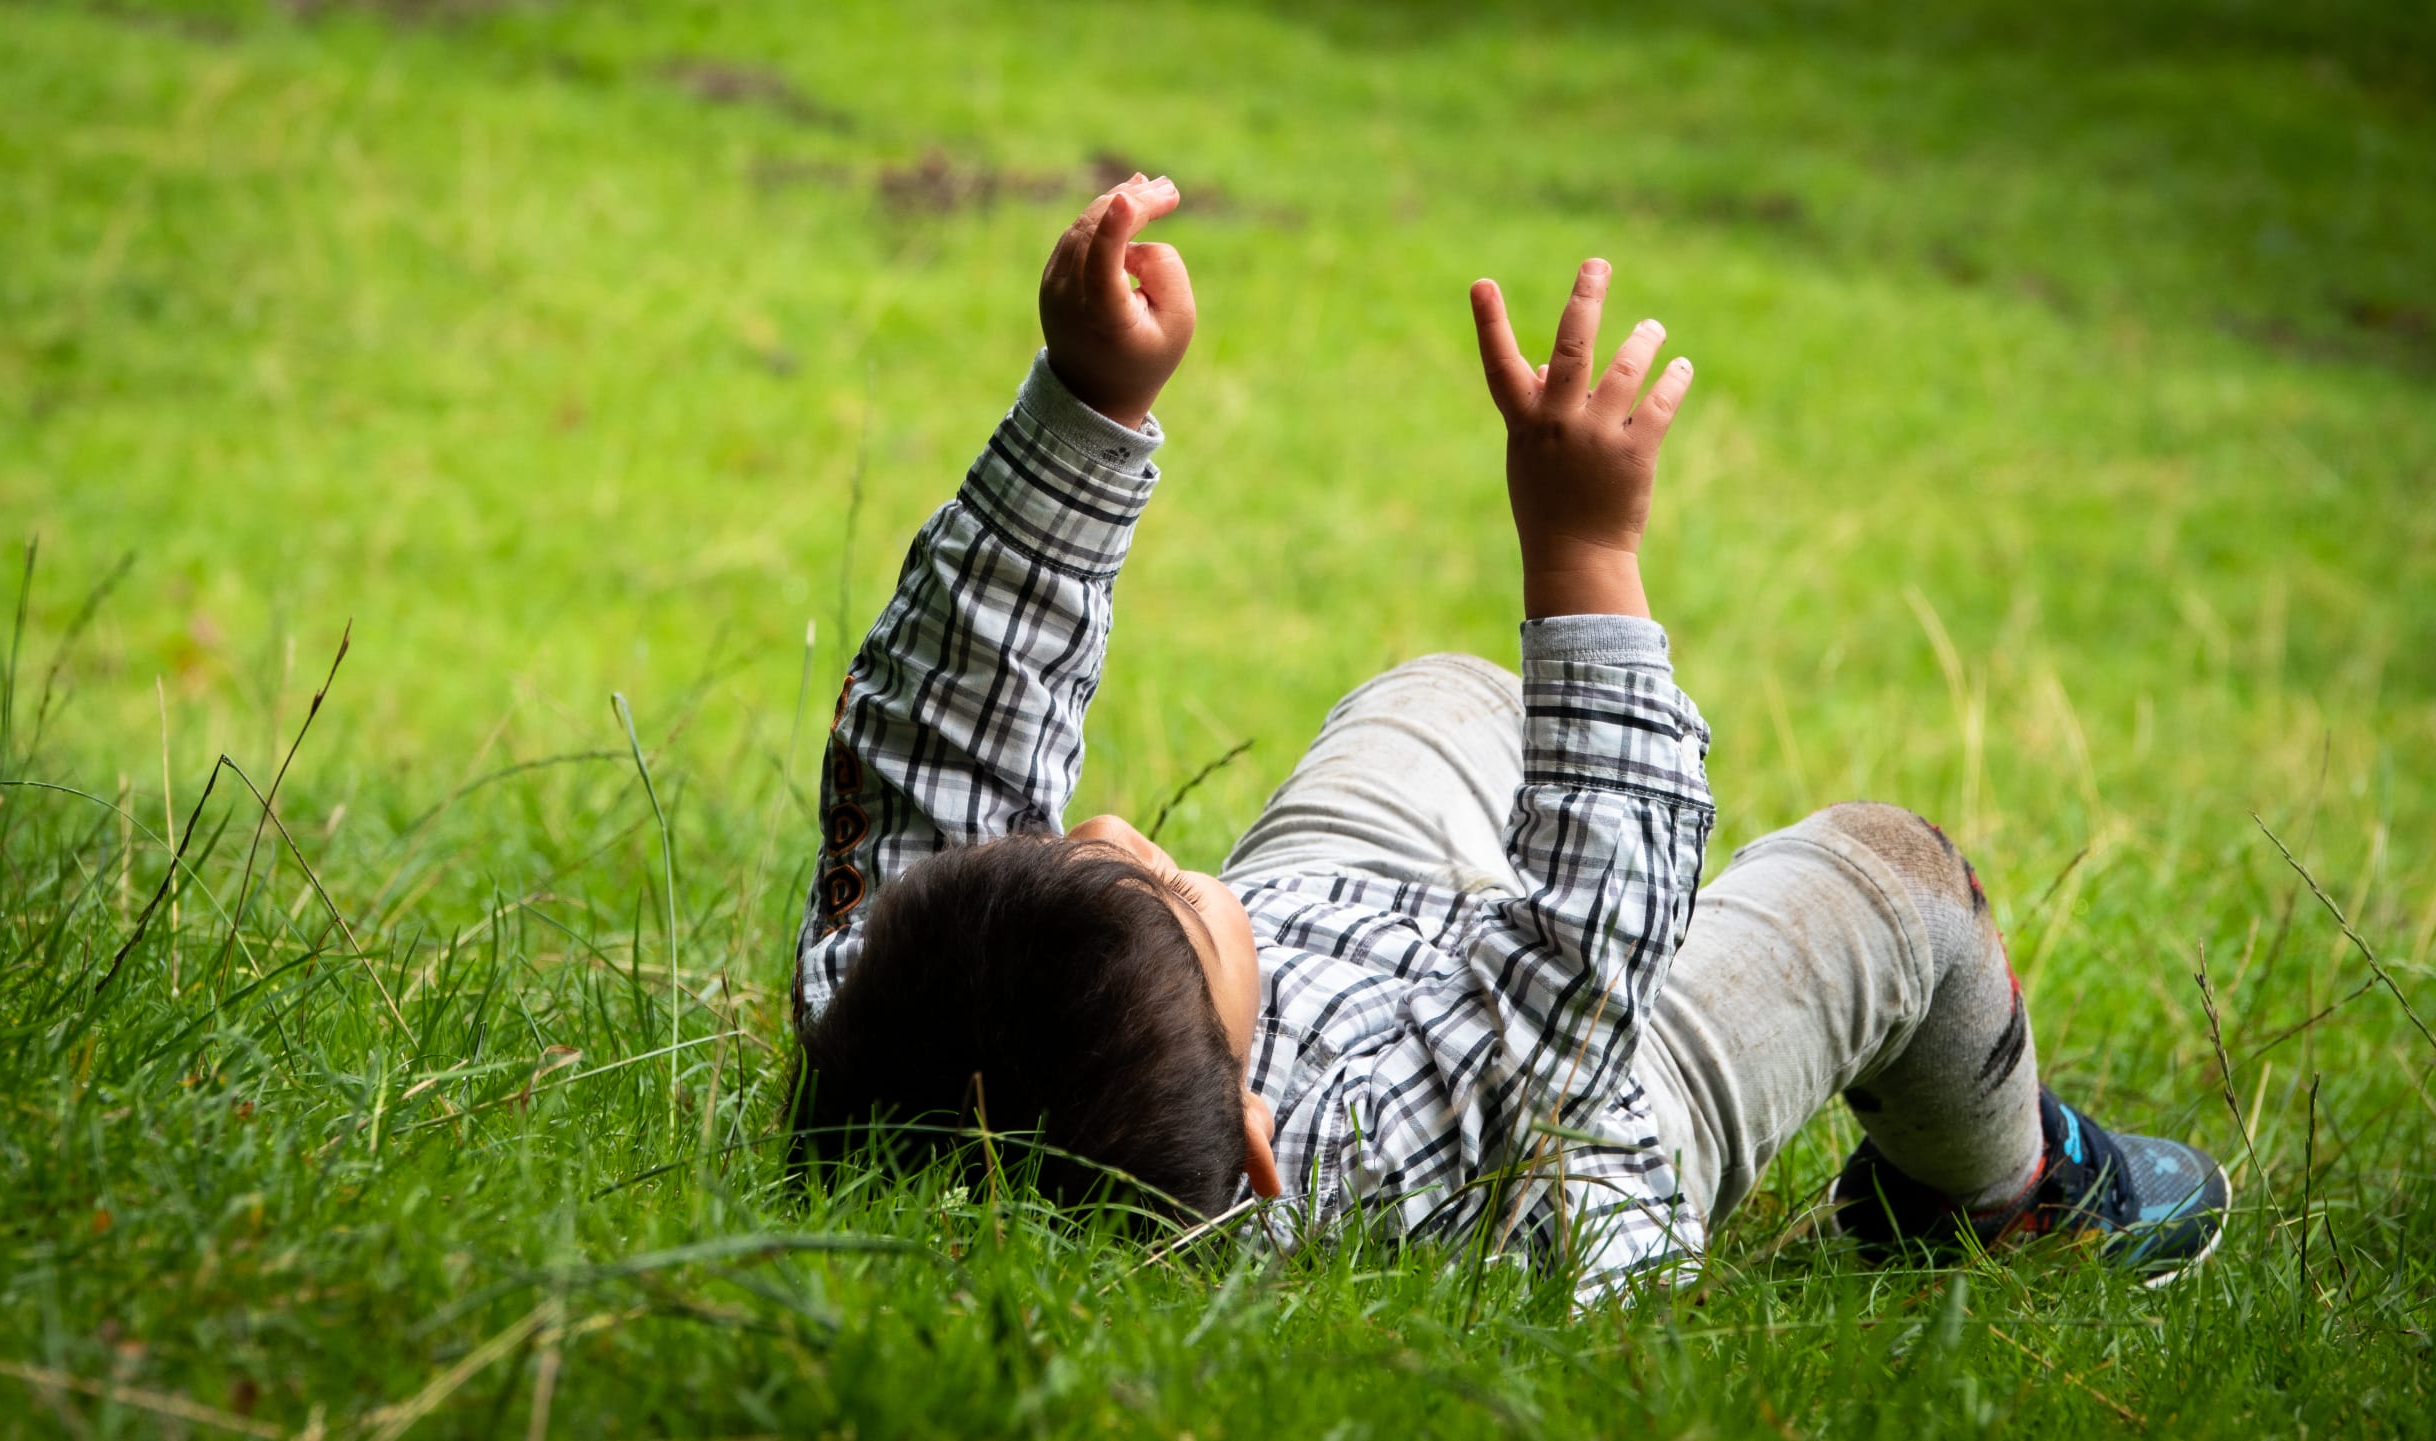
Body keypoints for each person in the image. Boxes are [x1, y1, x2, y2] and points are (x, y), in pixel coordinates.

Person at [784, 174, 2230, 1300]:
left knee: (1447, 693)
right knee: (1893, 879)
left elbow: (947, 735)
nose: (1120, 834)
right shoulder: (1410, 1156)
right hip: (1583, 1107)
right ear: (1260, 1147)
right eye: (1170, 893)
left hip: (1367, 943)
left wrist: (1088, 404)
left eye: (1069, 857)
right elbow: (1591, 938)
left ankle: (1426, 867)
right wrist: (1584, 552)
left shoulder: (899, 1017)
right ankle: (2006, 1194)